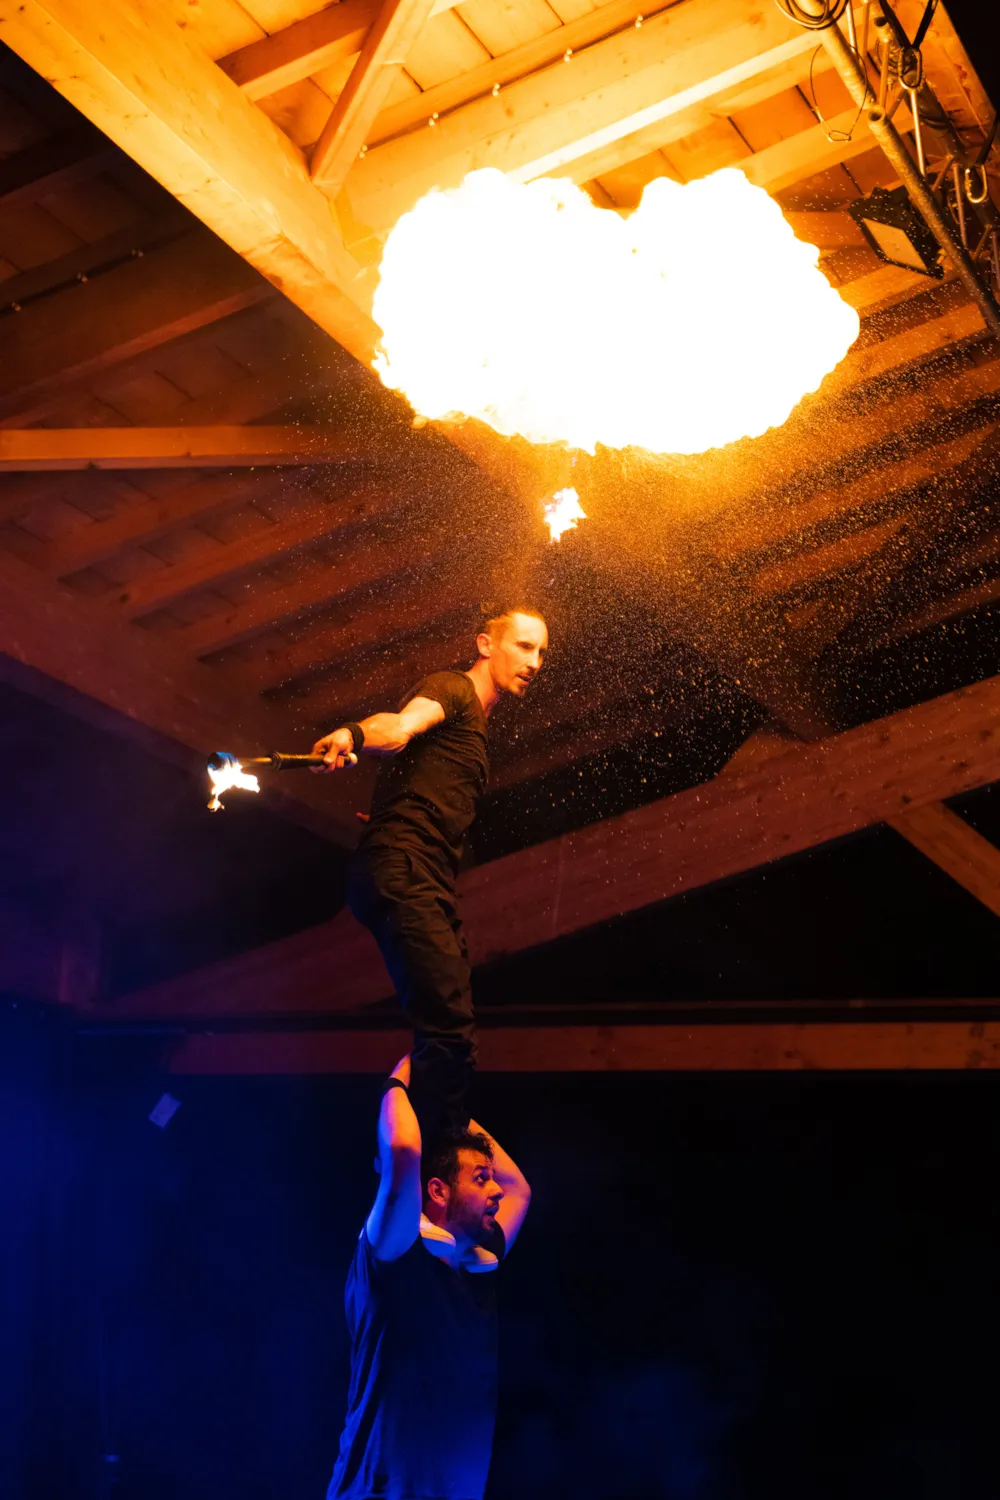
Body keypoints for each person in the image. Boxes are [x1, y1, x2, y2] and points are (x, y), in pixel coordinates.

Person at [311, 606, 548, 1144]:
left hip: (419, 874)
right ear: (486, 644)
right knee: (448, 1031)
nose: (535, 662)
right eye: (524, 646)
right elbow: (398, 728)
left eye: (541, 653)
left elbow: (418, 772)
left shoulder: (474, 729)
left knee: (452, 1025)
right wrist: (352, 732)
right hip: (405, 868)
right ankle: (432, 1181)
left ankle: (429, 1159)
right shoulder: (454, 689)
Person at [327, 1054, 531, 1500]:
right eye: (481, 1179)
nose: (496, 1189)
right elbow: (404, 1151)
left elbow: (520, 1189)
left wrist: (448, 1110)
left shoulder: (478, 1267)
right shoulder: (395, 1256)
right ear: (436, 1191)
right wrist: (401, 1084)